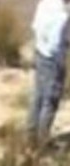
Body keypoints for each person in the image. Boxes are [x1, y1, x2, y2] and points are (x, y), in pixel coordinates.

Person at [29, 0, 70, 142]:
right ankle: (41, 141)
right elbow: (57, 43)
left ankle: (31, 136)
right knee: (50, 100)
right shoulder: (63, 15)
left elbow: (34, 27)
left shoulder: (45, 3)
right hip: (53, 59)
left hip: (39, 52)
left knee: (38, 96)